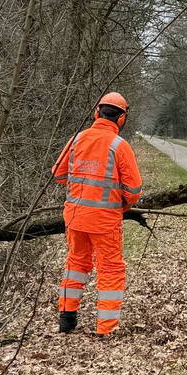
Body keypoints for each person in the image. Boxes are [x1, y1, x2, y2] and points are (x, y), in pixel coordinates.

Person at [53, 92, 143, 335]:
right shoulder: (119, 146)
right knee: (110, 269)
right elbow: (134, 189)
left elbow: (58, 174)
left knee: (76, 263)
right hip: (105, 221)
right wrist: (122, 202)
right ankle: (106, 329)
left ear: (96, 112)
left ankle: (66, 320)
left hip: (74, 217)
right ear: (122, 118)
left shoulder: (77, 139)